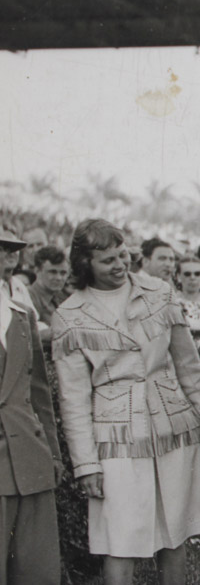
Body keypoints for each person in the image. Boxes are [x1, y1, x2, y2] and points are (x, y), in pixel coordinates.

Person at [51, 218, 200, 585]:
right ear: (85, 264)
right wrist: (86, 465)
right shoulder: (69, 315)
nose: (119, 266)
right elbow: (74, 401)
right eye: (107, 261)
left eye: (122, 255)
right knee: (121, 541)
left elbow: (188, 365)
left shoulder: (159, 292)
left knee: (174, 535)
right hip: (116, 444)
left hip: (173, 430)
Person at [0, 230, 62, 584]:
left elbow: (39, 392)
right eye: (2, 248)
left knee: (34, 568)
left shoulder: (22, 314)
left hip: (29, 456)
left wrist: (52, 453)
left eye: (12, 248)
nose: (9, 254)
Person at [28, 245, 70, 344]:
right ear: (37, 271)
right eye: (52, 272)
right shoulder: (27, 297)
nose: (59, 278)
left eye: (63, 273)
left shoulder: (64, 297)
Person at [176, 254, 200, 332]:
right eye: (187, 274)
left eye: (197, 274)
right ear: (178, 277)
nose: (192, 278)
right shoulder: (172, 303)